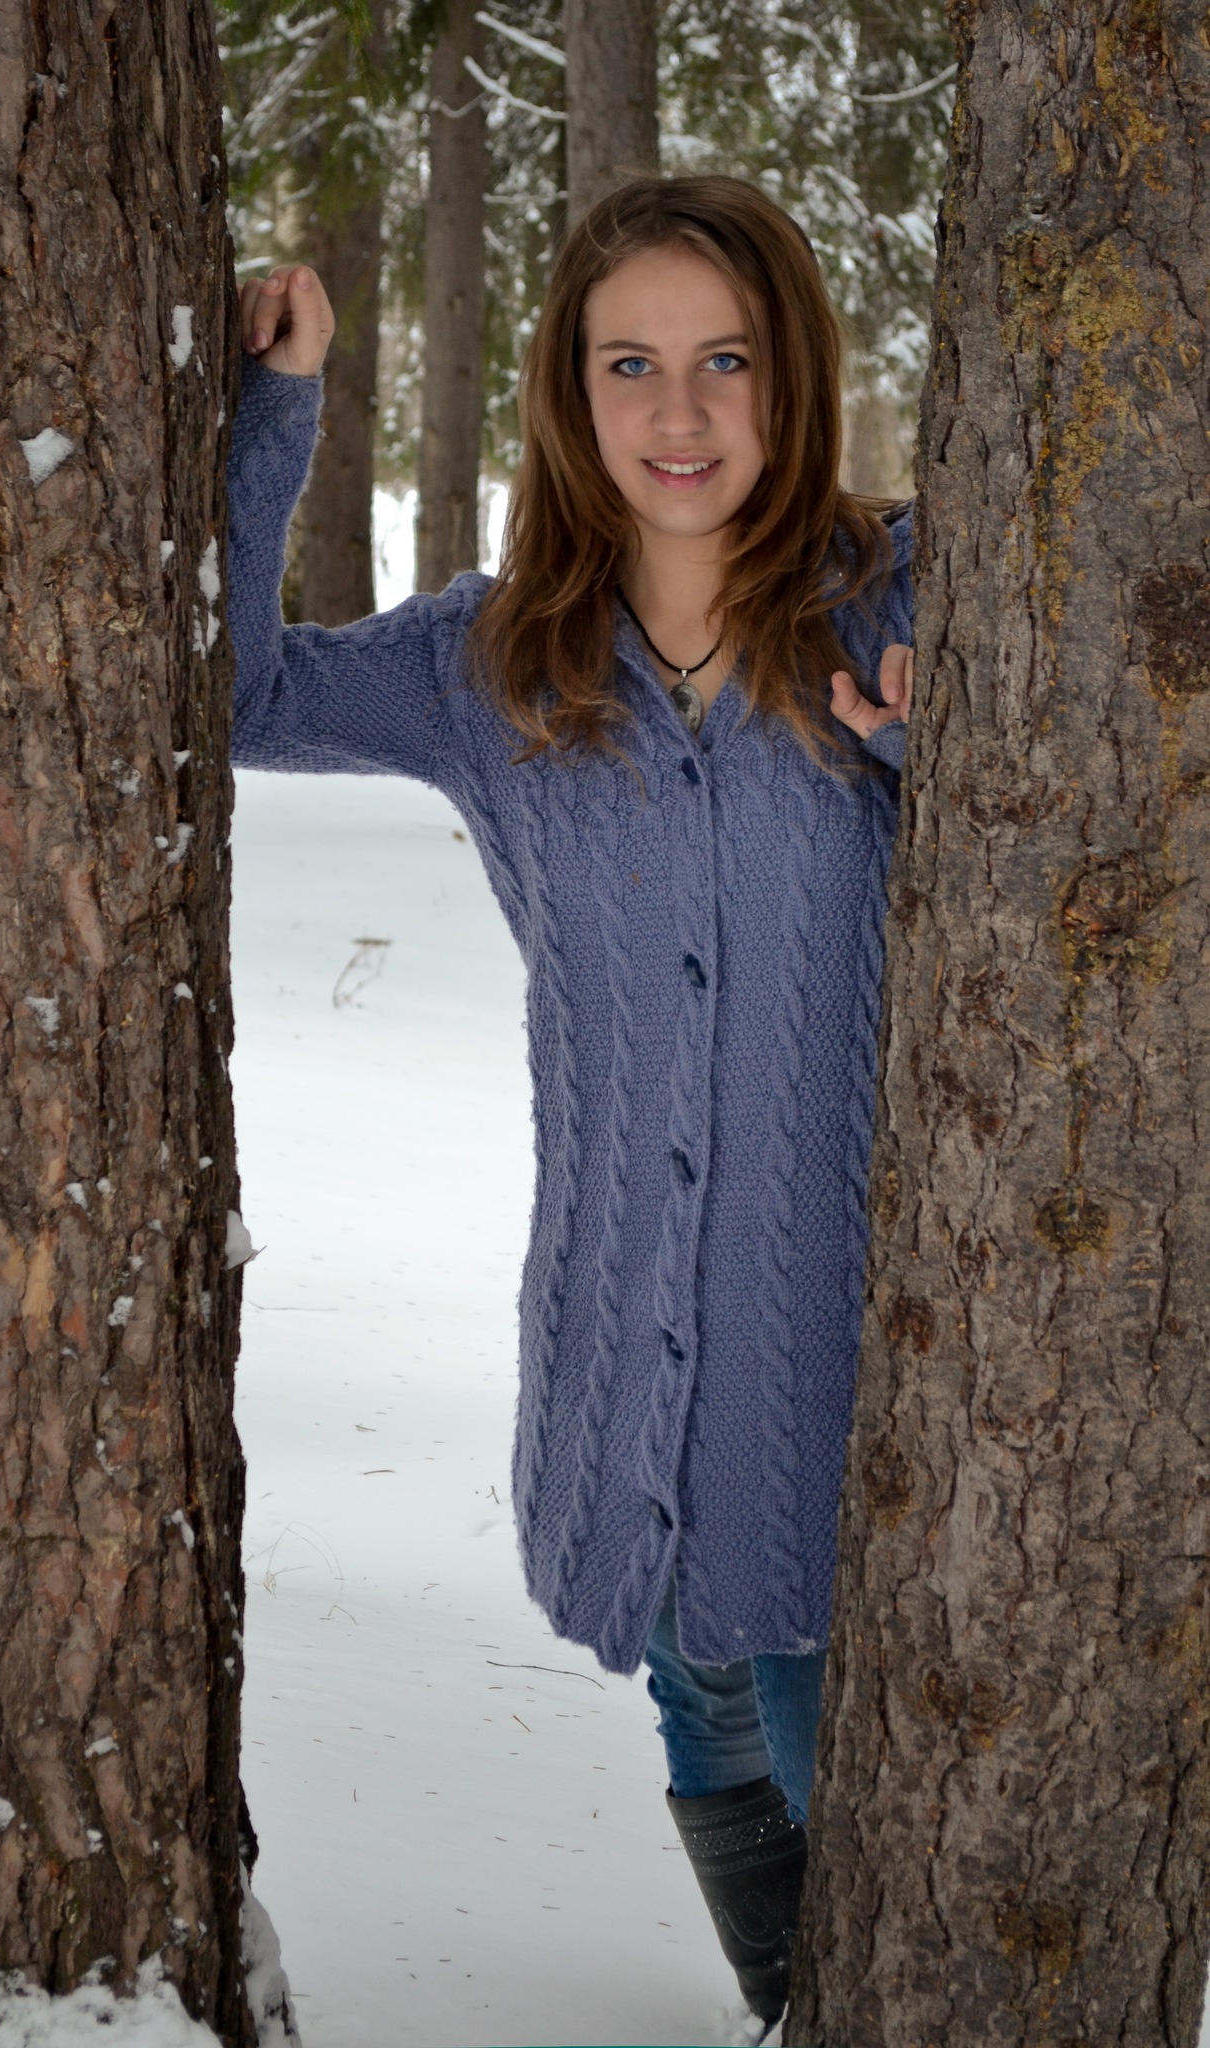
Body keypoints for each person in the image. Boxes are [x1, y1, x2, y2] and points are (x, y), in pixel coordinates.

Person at [227, 174, 914, 2030]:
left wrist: (944, 751)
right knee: (688, 1666)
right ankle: (781, 1996)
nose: (677, 414)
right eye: (629, 364)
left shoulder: (903, 599)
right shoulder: (495, 656)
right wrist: (276, 411)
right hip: (621, 1303)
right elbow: (241, 692)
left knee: (832, 1707)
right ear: (565, 387)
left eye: (725, 362)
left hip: (864, 1342)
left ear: (795, 375)